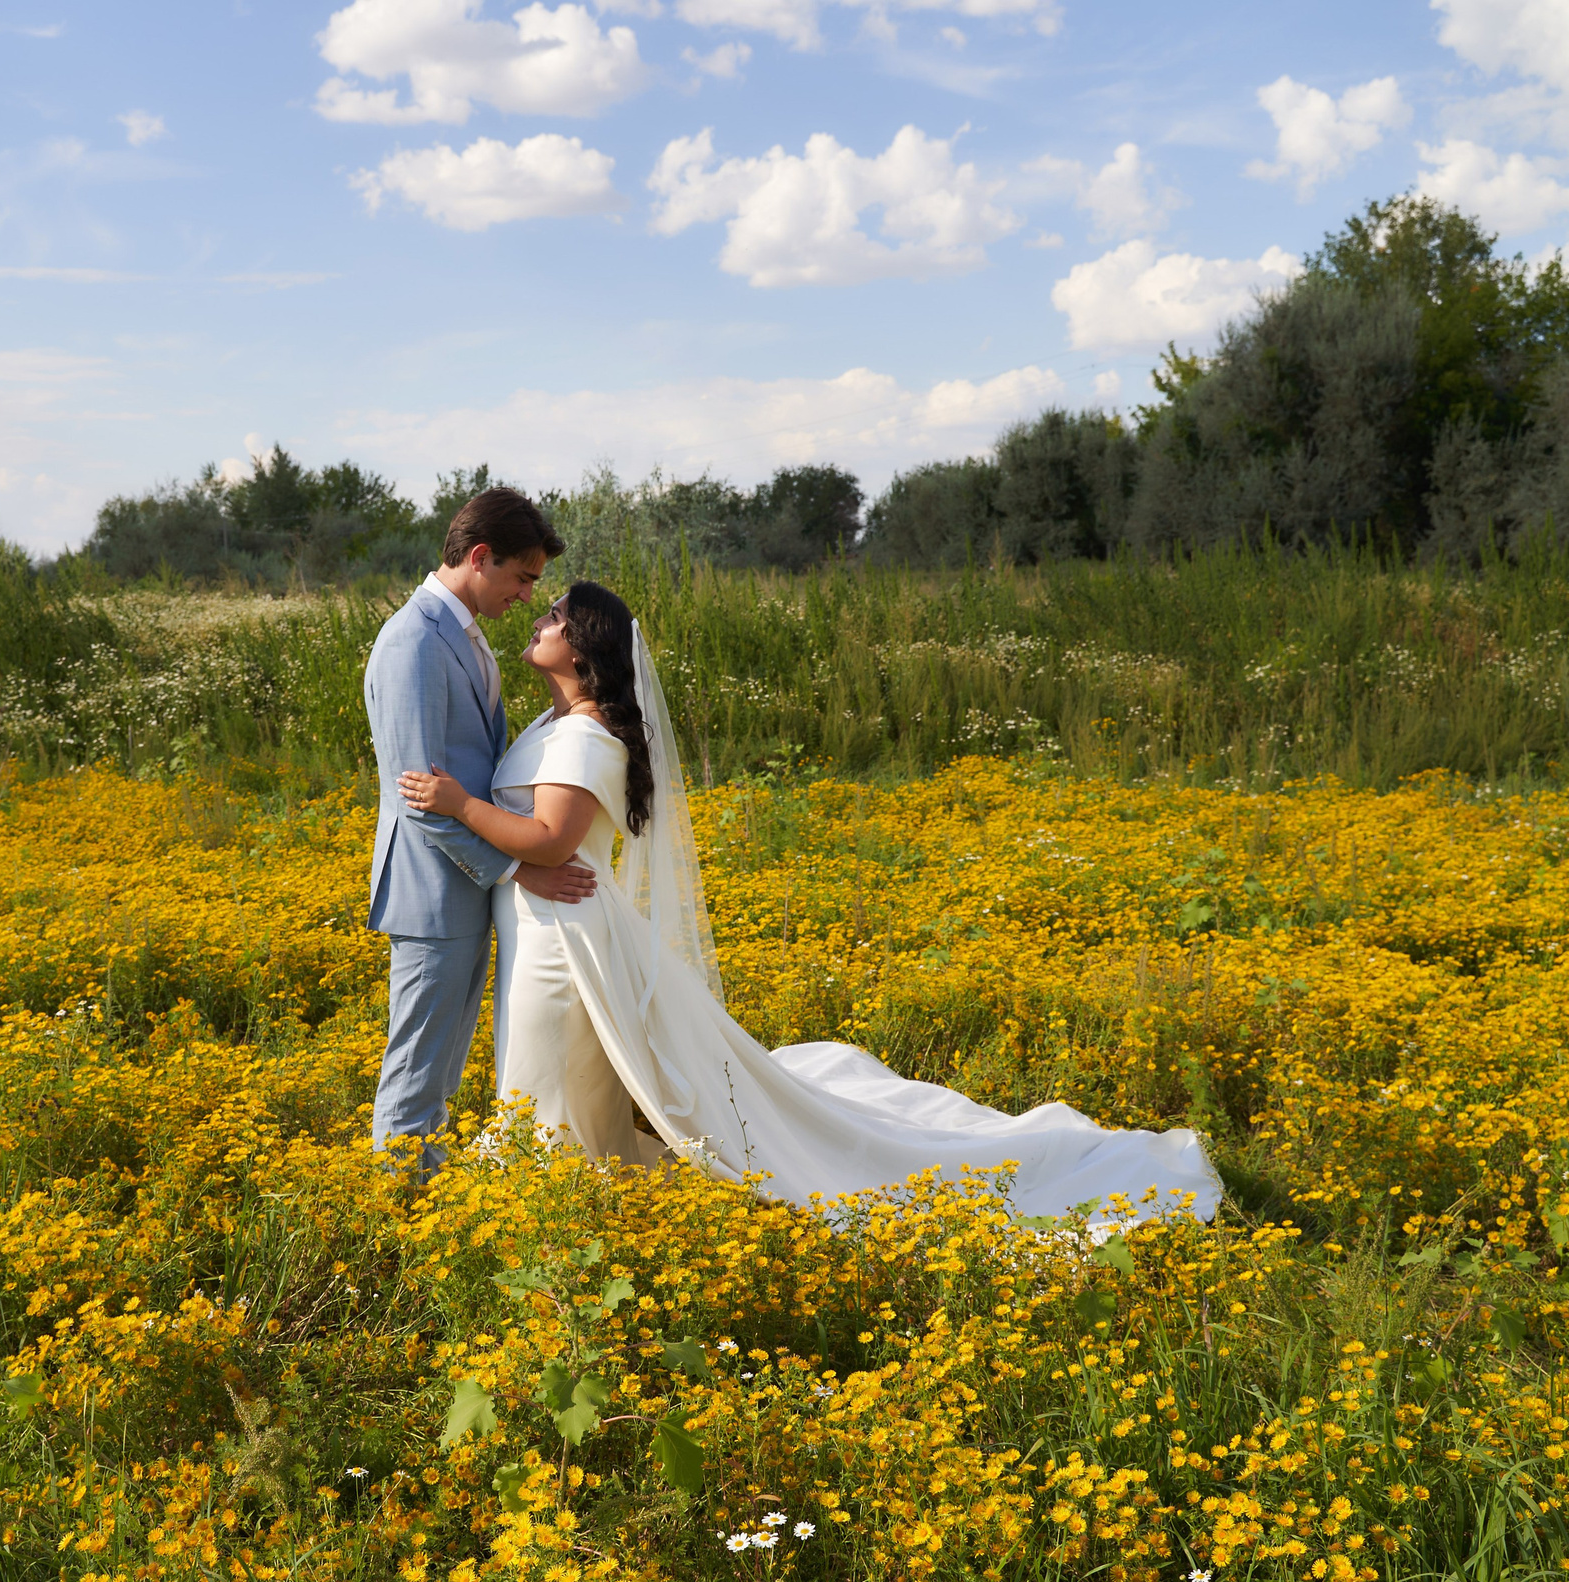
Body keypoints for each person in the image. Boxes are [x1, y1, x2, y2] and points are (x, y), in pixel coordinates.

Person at [398, 578, 1223, 1221]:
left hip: (561, 941)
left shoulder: (585, 736)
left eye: (557, 614)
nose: (539, 620)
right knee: (549, 1075)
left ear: (584, 649)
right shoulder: (547, 727)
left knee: (546, 1077)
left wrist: (456, 803)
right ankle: (567, 1196)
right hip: (541, 922)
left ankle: (550, 1202)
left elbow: (548, 838)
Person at [363, 487, 597, 1177]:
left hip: (461, 890)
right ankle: (394, 1226)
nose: (528, 595)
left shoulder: (459, 634)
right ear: (480, 556)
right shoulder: (413, 641)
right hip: (432, 892)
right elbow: (419, 799)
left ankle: (420, 1202)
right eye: (523, 577)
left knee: (439, 1073)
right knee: (415, 1073)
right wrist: (517, 868)